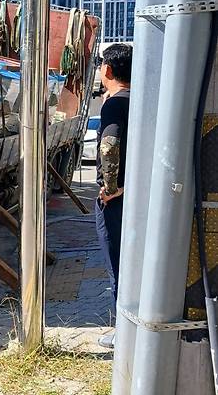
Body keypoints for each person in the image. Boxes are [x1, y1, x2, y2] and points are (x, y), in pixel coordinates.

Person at [95, 43, 132, 349]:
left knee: (117, 264)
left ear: (107, 70)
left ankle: (124, 332)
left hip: (116, 202)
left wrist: (110, 188)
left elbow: (109, 145)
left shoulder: (113, 104)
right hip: (137, 194)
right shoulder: (142, 100)